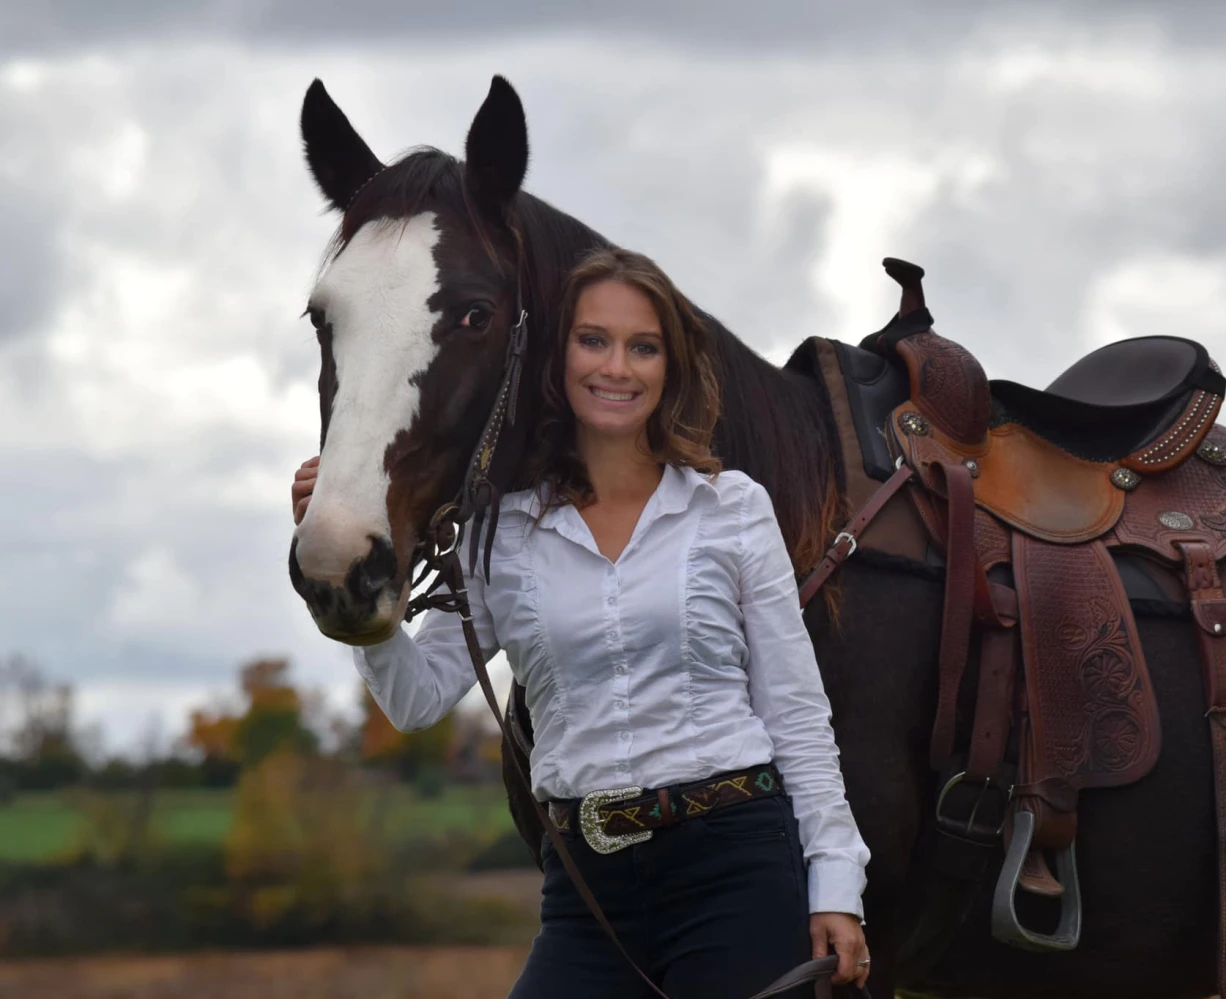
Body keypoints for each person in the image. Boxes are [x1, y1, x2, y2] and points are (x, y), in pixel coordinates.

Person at [292, 247, 871, 997]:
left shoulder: (732, 511)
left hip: (733, 863)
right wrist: (342, 574)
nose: (617, 367)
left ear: (671, 367)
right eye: (593, 340)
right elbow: (415, 696)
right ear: (555, 359)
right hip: (585, 890)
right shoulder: (498, 532)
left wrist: (834, 884)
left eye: (644, 346)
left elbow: (795, 712)